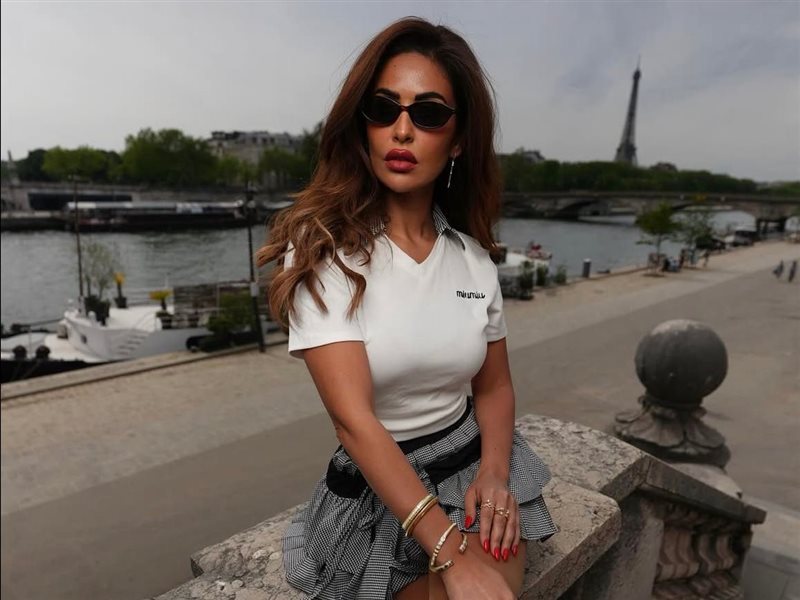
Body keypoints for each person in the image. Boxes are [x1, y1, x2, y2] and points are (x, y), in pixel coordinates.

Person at [256, 17, 556, 600]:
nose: (401, 130)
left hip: (468, 462)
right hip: (380, 487)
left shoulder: (473, 259)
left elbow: (494, 386)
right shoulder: (325, 251)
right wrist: (451, 553)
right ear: (361, 125)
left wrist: (495, 475)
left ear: (458, 139)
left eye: (429, 114)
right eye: (383, 108)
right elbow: (354, 421)